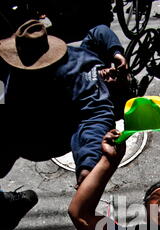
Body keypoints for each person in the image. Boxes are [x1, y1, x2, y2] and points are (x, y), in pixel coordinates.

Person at [0, 19, 135, 187]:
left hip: (35, 132)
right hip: (27, 89)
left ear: (115, 93)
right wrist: (117, 53)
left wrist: (87, 167)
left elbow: (95, 125)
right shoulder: (88, 57)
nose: (113, 72)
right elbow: (99, 31)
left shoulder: (96, 96)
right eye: (119, 72)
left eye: (118, 79)